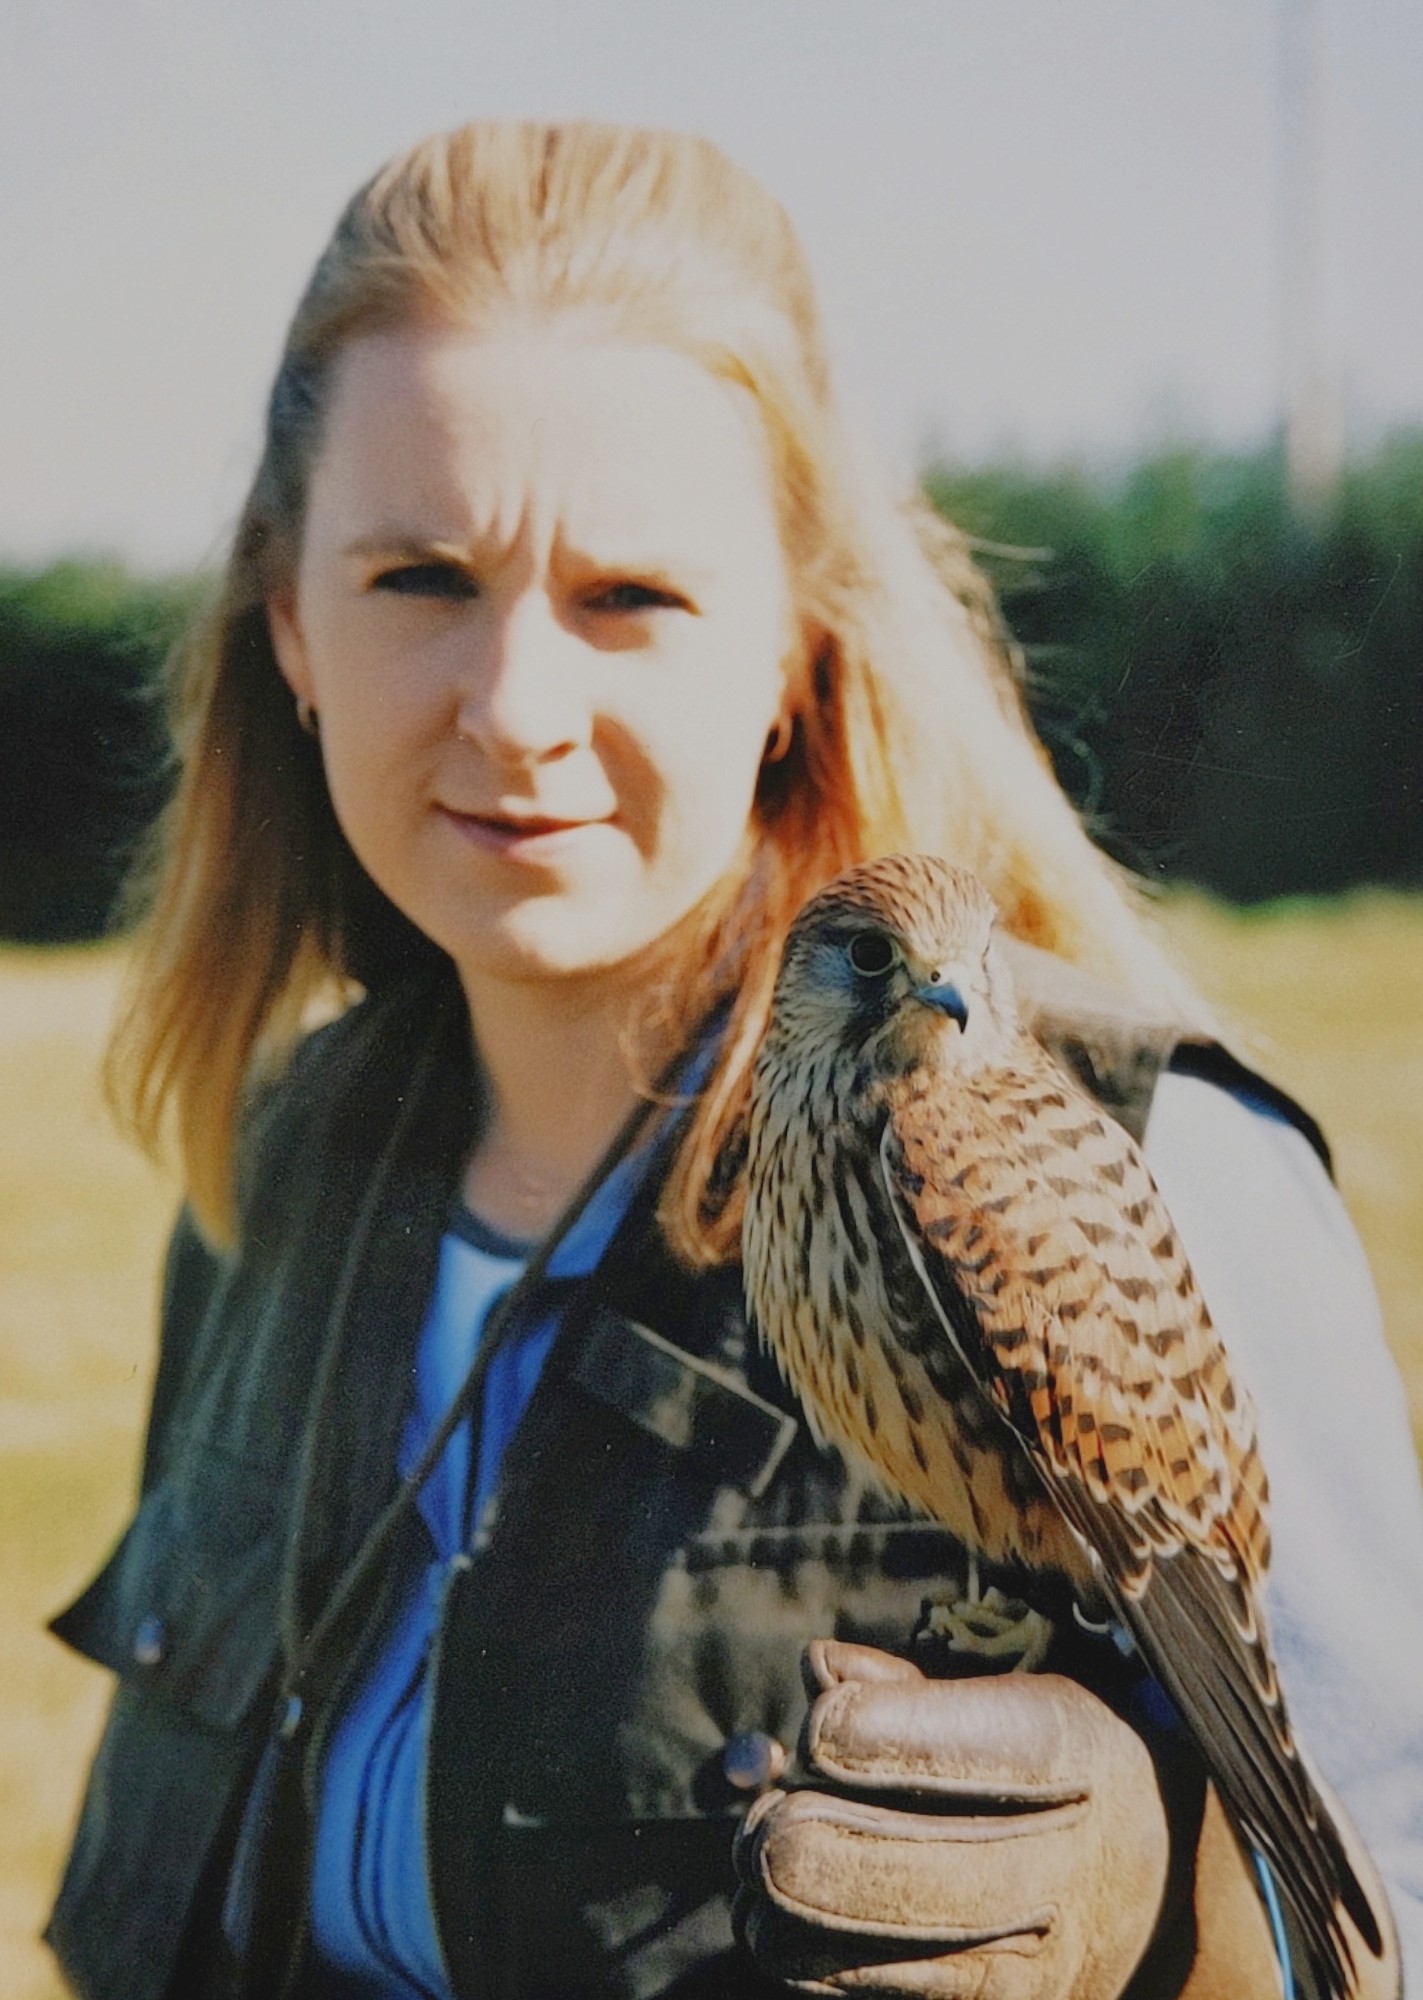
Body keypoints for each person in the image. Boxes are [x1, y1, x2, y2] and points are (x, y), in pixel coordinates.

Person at [44, 120, 1421, 2000]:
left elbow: (1393, 1890)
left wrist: (1187, 1921)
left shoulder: (1140, 1153)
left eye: (632, 598)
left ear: (795, 650)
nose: (517, 708)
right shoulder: (280, 1162)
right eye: (420, 578)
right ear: (289, 626)